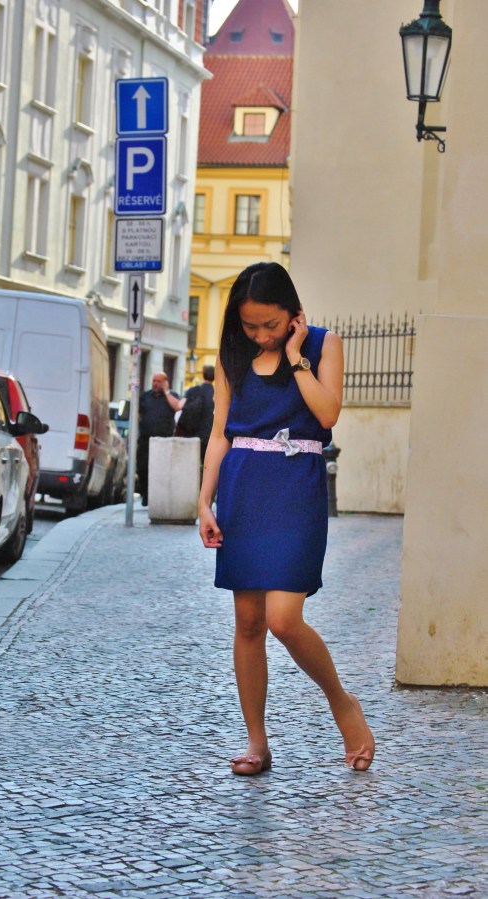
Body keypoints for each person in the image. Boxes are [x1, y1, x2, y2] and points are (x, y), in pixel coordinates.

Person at [198, 262, 375, 776]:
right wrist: (205, 501)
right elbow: (220, 433)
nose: (260, 335)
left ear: (293, 313)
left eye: (271, 325)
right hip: (243, 488)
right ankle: (257, 742)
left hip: (296, 488)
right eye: (250, 325)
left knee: (283, 618)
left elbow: (327, 414)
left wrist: (296, 356)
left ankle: (342, 702)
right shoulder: (232, 354)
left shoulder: (323, 344)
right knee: (249, 621)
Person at [137, 371, 181, 506]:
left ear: (165, 382)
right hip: (145, 440)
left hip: (163, 441)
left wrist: (166, 392)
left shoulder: (171, 396)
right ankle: (145, 494)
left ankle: (156, 496)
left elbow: (177, 406)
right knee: (142, 467)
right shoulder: (145, 396)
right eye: (154, 381)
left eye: (159, 381)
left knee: (160, 470)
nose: (155, 383)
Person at [175, 364, 215, 461]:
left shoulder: (193, 390)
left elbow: (179, 406)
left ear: (203, 375)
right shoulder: (216, 393)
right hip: (209, 436)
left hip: (191, 435)